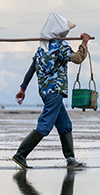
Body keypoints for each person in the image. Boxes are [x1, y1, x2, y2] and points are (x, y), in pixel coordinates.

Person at [13, 12, 90, 169]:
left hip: (46, 93)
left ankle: (70, 159)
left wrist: (23, 88)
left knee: (65, 125)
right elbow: (78, 59)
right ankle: (21, 154)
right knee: (45, 125)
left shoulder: (41, 49)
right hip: (55, 92)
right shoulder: (60, 46)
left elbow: (31, 70)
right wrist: (84, 42)